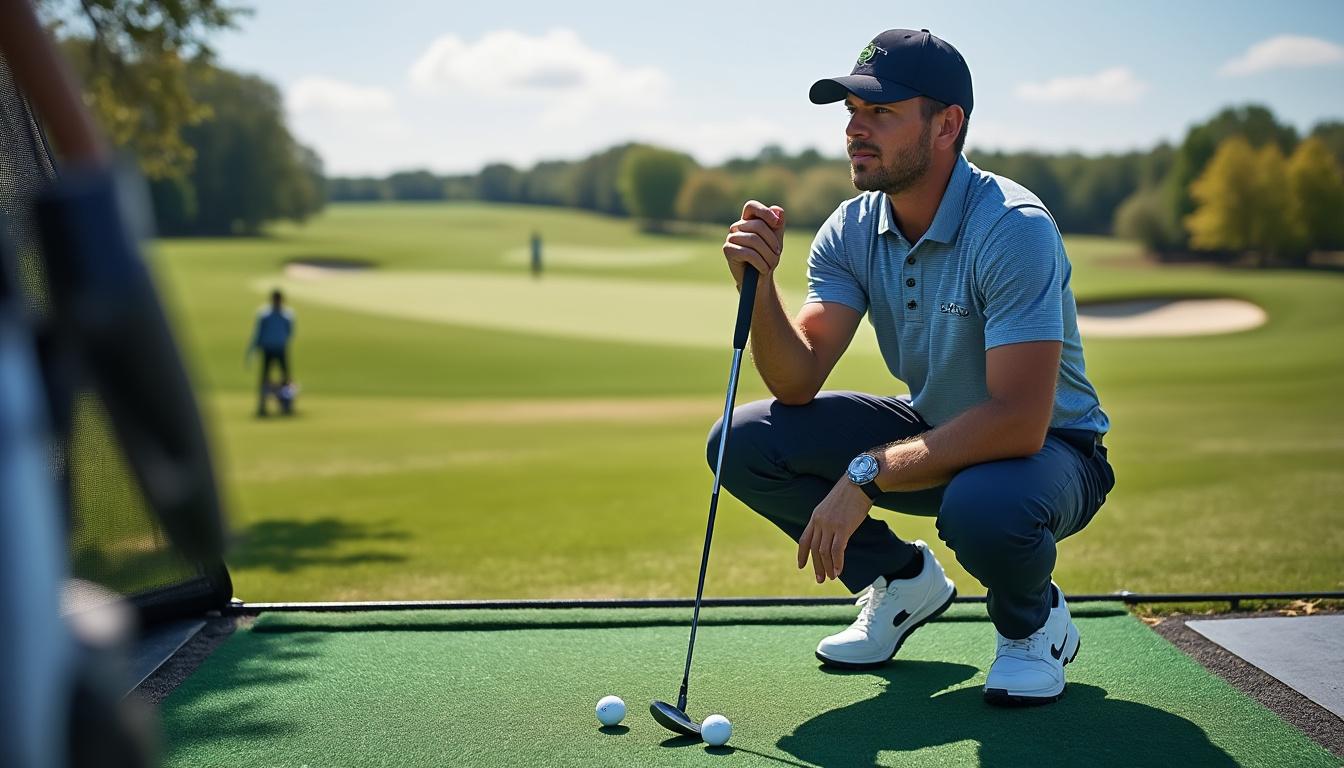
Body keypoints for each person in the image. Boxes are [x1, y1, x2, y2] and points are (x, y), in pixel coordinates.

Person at [712, 28, 1115, 706]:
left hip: (1052, 451)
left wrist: (866, 473)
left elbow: (1019, 421)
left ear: (946, 125)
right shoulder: (850, 228)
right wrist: (758, 285)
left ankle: (1033, 625)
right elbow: (796, 379)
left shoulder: (1012, 225)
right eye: (852, 112)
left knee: (983, 506)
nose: (855, 129)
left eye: (881, 112)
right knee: (743, 442)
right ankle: (900, 582)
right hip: (938, 432)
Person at [246, 289, 295, 417]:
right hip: (268, 349)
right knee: (265, 379)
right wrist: (252, 351)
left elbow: (290, 332)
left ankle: (287, 405)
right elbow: (258, 333)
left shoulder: (287, 315)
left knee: (286, 379)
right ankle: (262, 405)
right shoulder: (265, 315)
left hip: (281, 348)